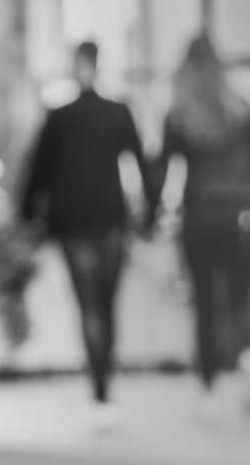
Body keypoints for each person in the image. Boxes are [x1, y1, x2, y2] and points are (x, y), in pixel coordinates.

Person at [20, 41, 156, 427]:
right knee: (107, 306)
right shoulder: (118, 113)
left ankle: (99, 393)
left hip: (73, 220)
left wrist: (28, 214)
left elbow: (38, 171)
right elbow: (143, 164)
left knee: (90, 306)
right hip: (111, 218)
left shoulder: (59, 117)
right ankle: (104, 386)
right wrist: (150, 212)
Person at [154, 36, 250, 417]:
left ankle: (209, 390)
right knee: (240, 297)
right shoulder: (239, 110)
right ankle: (249, 356)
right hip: (240, 214)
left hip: (200, 214)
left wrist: (151, 214)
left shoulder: (180, 114)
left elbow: (163, 165)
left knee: (205, 303)